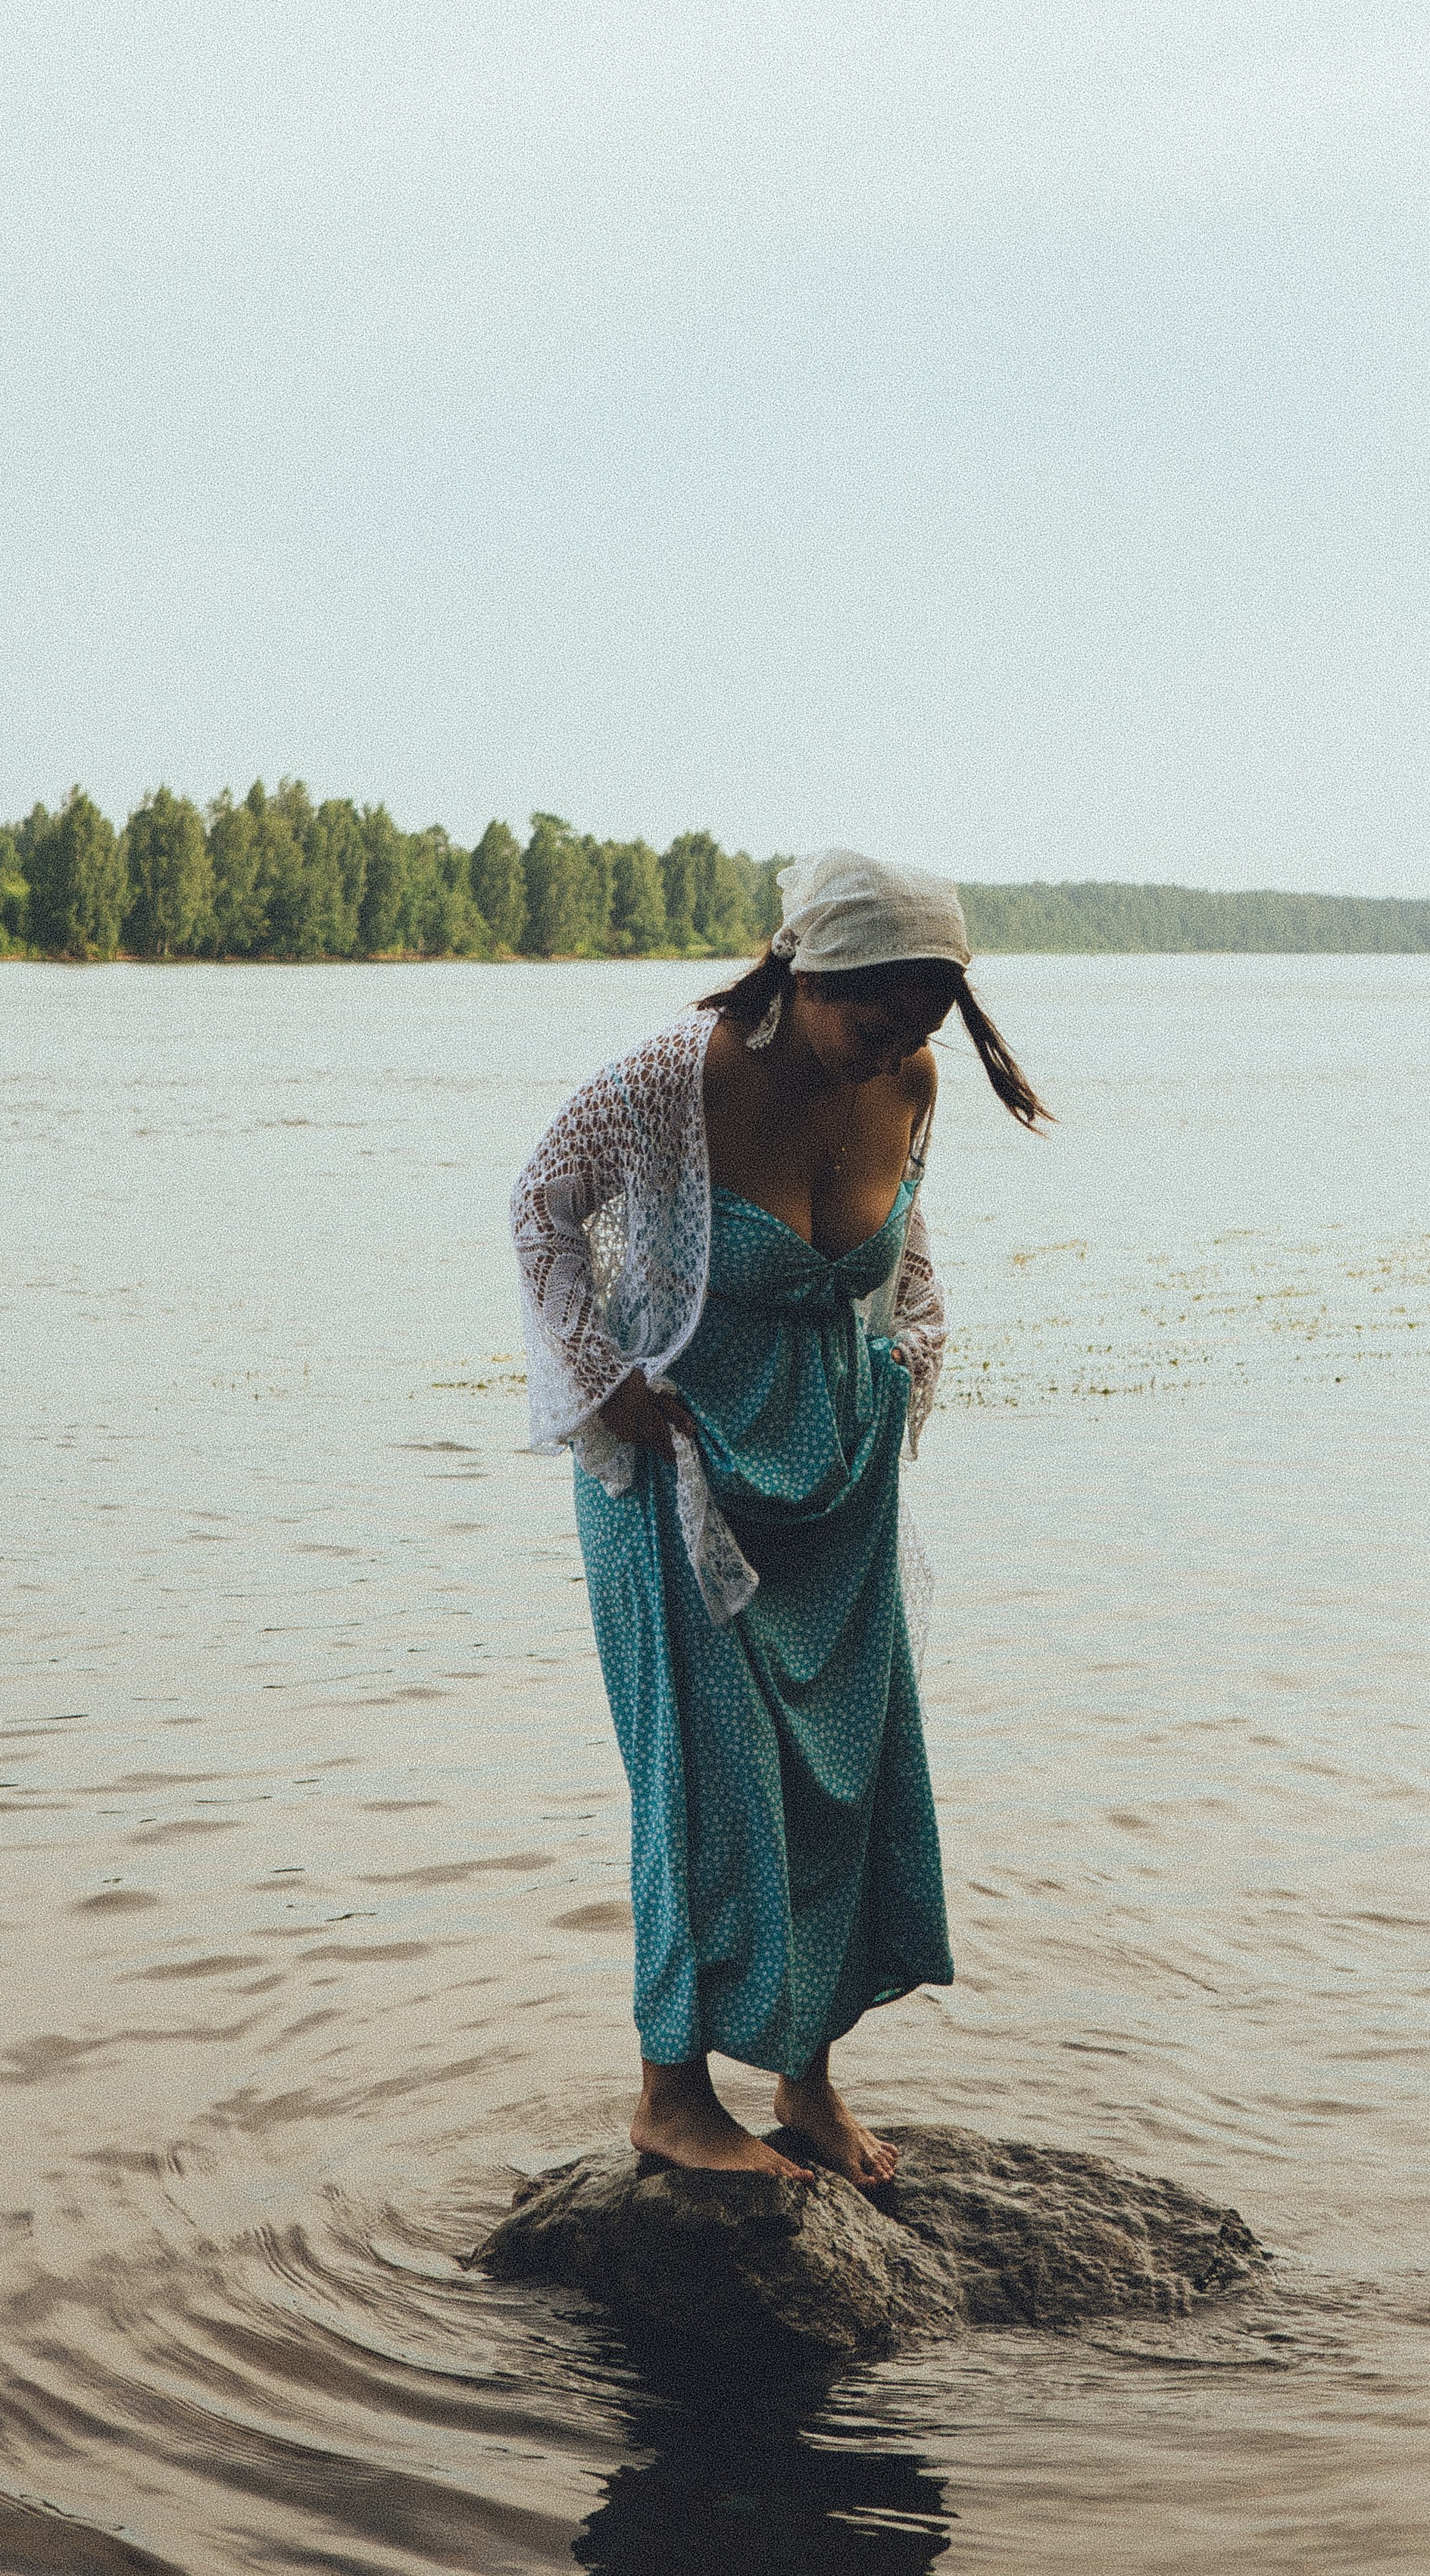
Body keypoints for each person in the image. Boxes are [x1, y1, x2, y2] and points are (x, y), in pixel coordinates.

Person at [512, 851, 1047, 2189]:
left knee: (840, 1783)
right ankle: (671, 2097)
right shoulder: (667, 1083)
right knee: (699, 1779)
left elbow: (903, 1253)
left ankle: (806, 2083)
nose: (895, 1049)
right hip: (683, 1475)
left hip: (840, 1480)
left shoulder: (909, 1085)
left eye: (925, 1024)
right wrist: (599, 1382)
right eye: (876, 1017)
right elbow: (540, 1211)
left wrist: (907, 1360)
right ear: (804, 973)